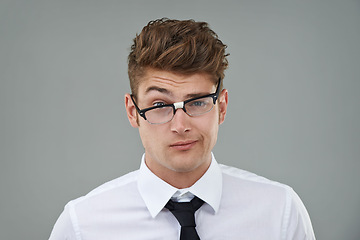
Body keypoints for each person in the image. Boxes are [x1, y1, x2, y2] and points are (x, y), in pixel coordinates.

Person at [49, 18, 315, 240]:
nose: (180, 126)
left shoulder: (280, 212)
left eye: (198, 102)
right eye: (160, 105)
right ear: (133, 112)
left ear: (222, 107)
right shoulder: (81, 225)